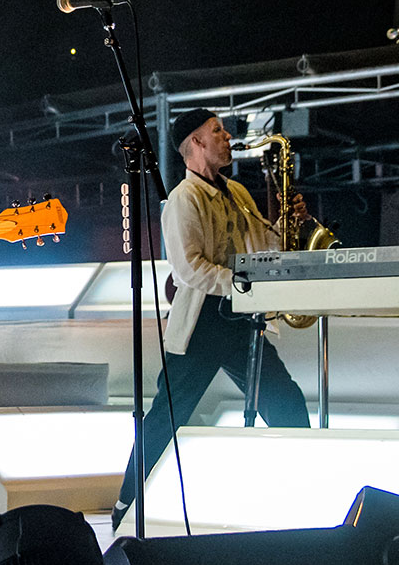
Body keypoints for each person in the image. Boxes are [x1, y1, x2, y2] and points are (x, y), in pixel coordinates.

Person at [112, 109, 311, 530]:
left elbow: (263, 246)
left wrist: (286, 225)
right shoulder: (184, 198)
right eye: (217, 131)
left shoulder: (237, 191)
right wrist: (245, 285)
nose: (226, 137)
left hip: (239, 319)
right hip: (203, 323)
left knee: (285, 400)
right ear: (196, 143)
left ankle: (303, 491)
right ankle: (127, 502)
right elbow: (189, 269)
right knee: (166, 417)